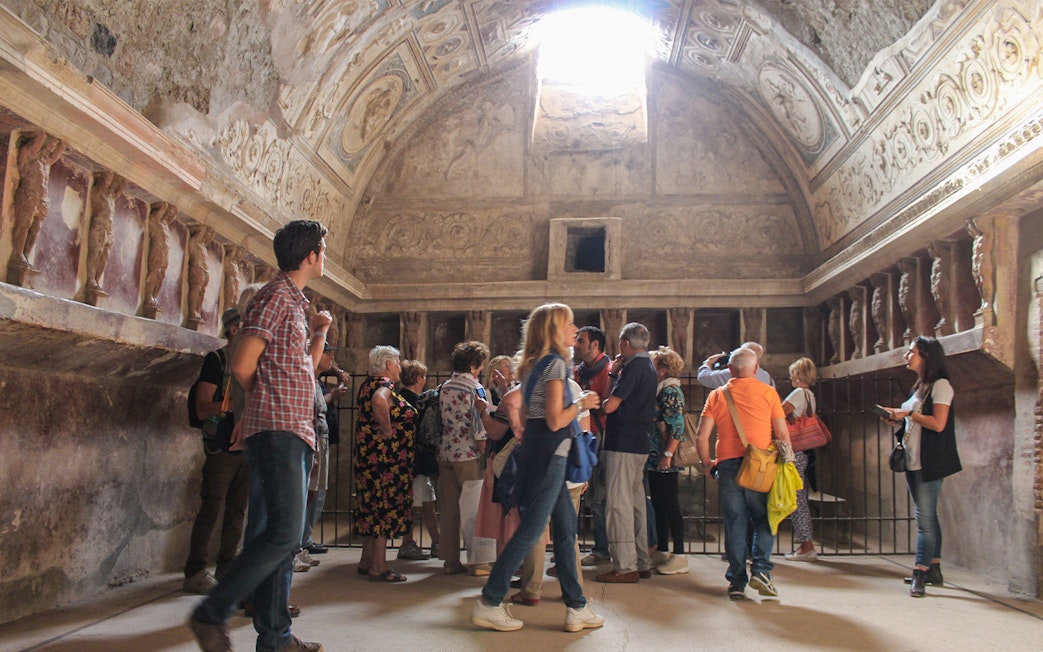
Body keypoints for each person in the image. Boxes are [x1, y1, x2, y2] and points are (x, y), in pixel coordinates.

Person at [188, 219, 330, 652]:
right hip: (279, 428)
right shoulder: (275, 297)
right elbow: (243, 362)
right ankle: (212, 612)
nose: (325, 257)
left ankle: (275, 637)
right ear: (310, 256)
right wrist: (265, 403)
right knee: (285, 533)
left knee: (276, 536)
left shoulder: (293, 301)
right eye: (323, 249)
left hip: (290, 428)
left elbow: (299, 367)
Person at [471, 303, 604, 633]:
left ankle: (577, 606)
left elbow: (531, 414)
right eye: (570, 324)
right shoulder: (556, 364)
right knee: (532, 530)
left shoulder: (536, 365)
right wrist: (583, 403)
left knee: (564, 529)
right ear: (555, 330)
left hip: (541, 451)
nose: (575, 330)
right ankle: (489, 601)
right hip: (551, 453)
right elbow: (556, 419)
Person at [695, 347, 793, 601]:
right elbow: (782, 433)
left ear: (729, 369)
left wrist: (707, 463)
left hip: (727, 462)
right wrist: (787, 461)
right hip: (761, 462)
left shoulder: (718, 395)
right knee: (764, 519)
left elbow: (702, 435)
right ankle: (761, 570)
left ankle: (737, 581)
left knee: (735, 522)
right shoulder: (769, 393)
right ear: (756, 368)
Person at [879, 336, 961, 597]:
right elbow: (915, 420)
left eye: (911, 352)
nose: (907, 356)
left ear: (926, 355)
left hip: (930, 462)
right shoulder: (920, 387)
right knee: (928, 516)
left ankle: (920, 572)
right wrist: (898, 421)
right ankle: (934, 568)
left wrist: (908, 414)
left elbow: (938, 423)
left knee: (923, 520)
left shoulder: (941, 386)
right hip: (914, 459)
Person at [182, 307, 249, 595]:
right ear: (235, 329)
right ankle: (195, 570)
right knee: (212, 506)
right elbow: (202, 406)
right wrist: (239, 405)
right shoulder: (217, 360)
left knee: (237, 509)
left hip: (245, 444)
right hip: (221, 446)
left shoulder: (249, 363)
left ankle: (227, 566)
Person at [595, 322, 658, 583]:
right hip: (639, 443)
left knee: (617, 505)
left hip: (622, 443)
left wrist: (612, 376)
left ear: (626, 343)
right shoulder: (649, 366)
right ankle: (641, 561)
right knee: (635, 504)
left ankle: (624, 566)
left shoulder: (633, 367)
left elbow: (609, 406)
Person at [353, 346, 417, 582]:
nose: (400, 366)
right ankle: (379, 566)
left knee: (371, 507)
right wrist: (388, 429)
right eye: (398, 362)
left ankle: (367, 559)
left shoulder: (367, 383)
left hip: (370, 459)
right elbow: (379, 402)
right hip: (385, 462)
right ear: (388, 364)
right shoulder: (384, 385)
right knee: (382, 509)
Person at [438, 341, 496, 575]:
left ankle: (450, 561)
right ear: (473, 365)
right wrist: (485, 450)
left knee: (449, 509)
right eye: (480, 364)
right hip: (469, 454)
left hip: (446, 451)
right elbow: (479, 426)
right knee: (475, 509)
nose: (481, 369)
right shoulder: (475, 389)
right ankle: (479, 561)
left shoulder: (444, 386)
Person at [293, 343, 345, 570]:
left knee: (314, 493)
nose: (332, 359)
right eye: (328, 354)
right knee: (305, 495)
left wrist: (334, 370)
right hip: (311, 440)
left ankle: (301, 544)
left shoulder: (315, 379)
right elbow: (309, 409)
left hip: (319, 438)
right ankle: (295, 546)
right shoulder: (305, 379)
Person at [647, 346, 689, 575]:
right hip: (655, 456)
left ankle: (680, 554)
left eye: (652, 363)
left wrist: (668, 455)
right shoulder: (660, 389)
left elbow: (677, 426)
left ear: (662, 369)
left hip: (664, 456)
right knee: (658, 503)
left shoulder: (670, 390)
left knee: (670, 504)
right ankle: (662, 549)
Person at [574, 326, 613, 567]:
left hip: (601, 434)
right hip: (582, 433)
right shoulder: (579, 371)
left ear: (594, 345)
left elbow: (603, 402)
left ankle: (601, 549)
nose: (576, 344)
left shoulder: (608, 370)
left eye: (581, 341)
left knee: (599, 494)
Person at [397, 360, 440, 561]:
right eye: (423, 376)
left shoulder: (402, 398)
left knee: (426, 500)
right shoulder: (414, 401)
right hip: (417, 459)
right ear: (418, 378)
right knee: (415, 504)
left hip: (414, 459)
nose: (425, 380)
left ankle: (436, 542)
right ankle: (407, 543)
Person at [781, 357, 820, 562]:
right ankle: (805, 544)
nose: (790, 377)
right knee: (798, 496)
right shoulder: (810, 395)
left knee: (796, 498)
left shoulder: (798, 393)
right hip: (803, 452)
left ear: (798, 374)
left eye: (792, 373)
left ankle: (806, 545)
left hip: (793, 452)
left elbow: (779, 414)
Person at [697, 341, 775, 388]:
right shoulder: (767, 378)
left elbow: (703, 378)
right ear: (759, 361)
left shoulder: (730, 373)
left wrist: (708, 362)